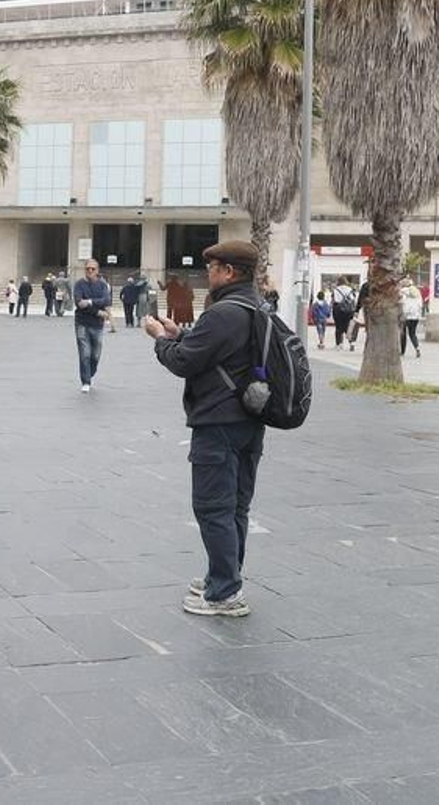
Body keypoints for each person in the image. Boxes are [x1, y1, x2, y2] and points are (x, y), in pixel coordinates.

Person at [143, 240, 267, 618]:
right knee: (236, 508)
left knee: (213, 507)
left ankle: (225, 594)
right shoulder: (255, 306)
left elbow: (184, 361)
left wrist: (161, 339)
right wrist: (178, 332)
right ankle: (224, 576)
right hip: (251, 419)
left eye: (211, 267)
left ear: (228, 271)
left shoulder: (222, 312)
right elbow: (215, 352)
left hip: (218, 421)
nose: (207, 274)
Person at [73, 261, 113, 392]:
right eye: (87, 268)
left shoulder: (102, 285)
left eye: (92, 268)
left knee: (95, 354)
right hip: (82, 322)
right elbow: (79, 303)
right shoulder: (79, 284)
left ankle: (89, 372)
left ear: (97, 270)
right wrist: (97, 311)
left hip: (97, 325)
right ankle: (85, 381)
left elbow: (106, 300)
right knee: (84, 353)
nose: (90, 271)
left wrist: (89, 301)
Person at [399, 278, 424, 359]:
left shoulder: (403, 291)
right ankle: (417, 349)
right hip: (415, 317)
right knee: (412, 334)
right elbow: (421, 305)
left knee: (403, 334)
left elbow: (401, 302)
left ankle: (402, 351)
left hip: (406, 316)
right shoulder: (417, 292)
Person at [330, 276, 357, 350]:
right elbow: (353, 300)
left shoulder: (336, 290)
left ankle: (339, 344)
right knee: (348, 327)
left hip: (338, 310)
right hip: (349, 311)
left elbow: (333, 300)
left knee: (338, 327)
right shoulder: (350, 289)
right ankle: (351, 343)